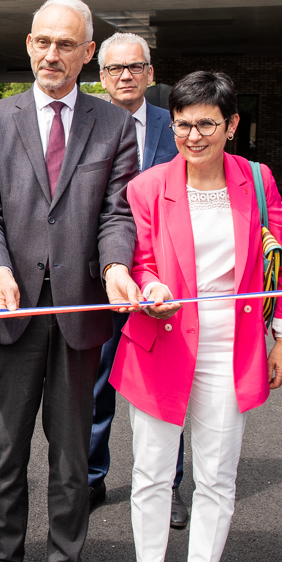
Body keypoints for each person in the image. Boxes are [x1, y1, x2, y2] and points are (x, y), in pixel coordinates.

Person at [0, 0, 140, 562]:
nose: (51, 55)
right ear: (29, 45)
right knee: (6, 450)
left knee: (70, 456)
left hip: (80, 308)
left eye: (66, 44)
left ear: (88, 53)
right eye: (42, 42)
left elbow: (117, 212)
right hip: (11, 309)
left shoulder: (113, 125)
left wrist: (115, 266)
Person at [110, 71, 282, 562]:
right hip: (162, 341)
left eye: (206, 125)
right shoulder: (148, 186)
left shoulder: (258, 181)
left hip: (230, 346)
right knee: (151, 471)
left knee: (216, 476)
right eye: (182, 125)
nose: (193, 137)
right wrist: (148, 285)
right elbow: (140, 259)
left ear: (232, 125)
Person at [86, 32, 181, 518]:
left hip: (163, 275)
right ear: (101, 77)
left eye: (135, 67)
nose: (125, 76)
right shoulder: (85, 124)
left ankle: (169, 485)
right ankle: (90, 478)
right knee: (95, 384)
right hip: (101, 275)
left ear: (150, 73)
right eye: (115, 68)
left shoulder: (176, 125)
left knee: (166, 385)